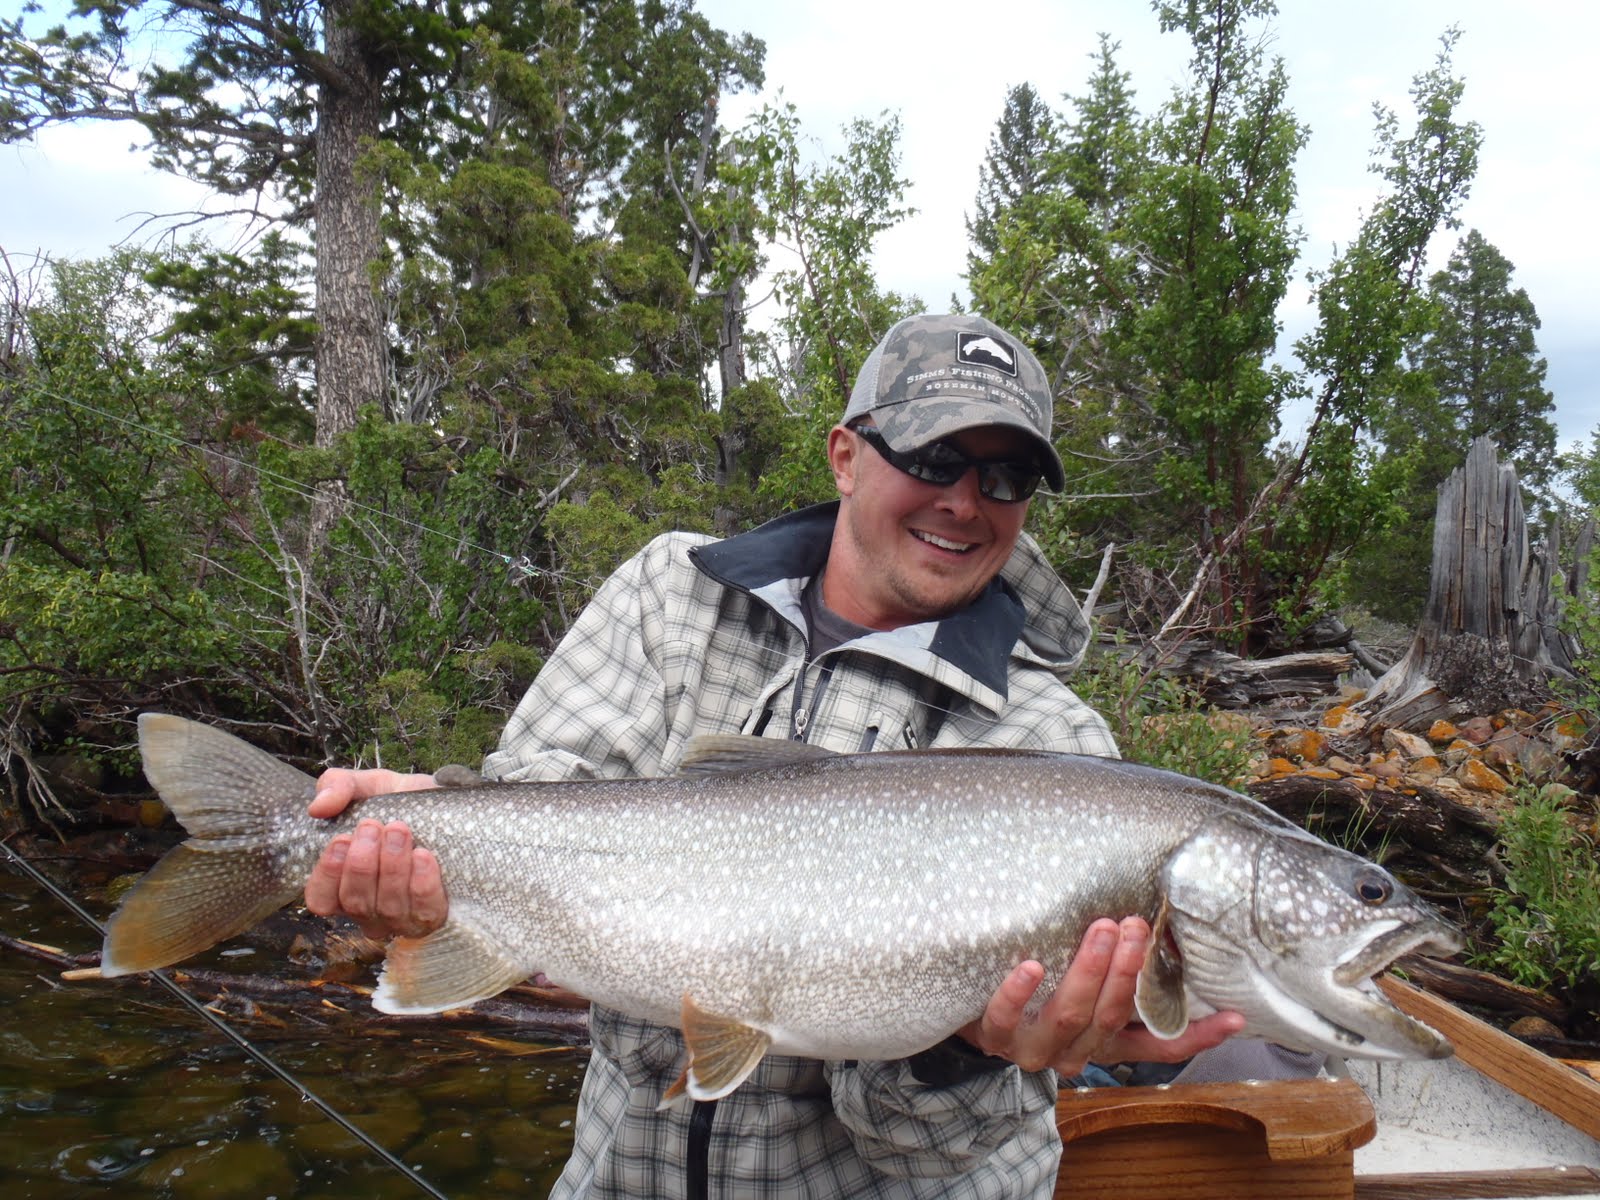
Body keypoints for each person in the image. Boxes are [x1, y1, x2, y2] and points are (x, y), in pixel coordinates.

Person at [303, 313, 1245, 1198]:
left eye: (1005, 479)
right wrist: (426, 832)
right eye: (933, 456)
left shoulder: (1056, 747)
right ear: (846, 454)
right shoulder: (672, 590)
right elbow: (538, 804)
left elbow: (950, 1151)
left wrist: (969, 1050)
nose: (965, 502)